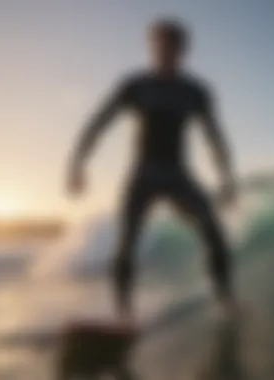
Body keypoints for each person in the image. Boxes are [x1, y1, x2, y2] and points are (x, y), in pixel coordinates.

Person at [67, 18, 238, 322]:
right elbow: (99, 122)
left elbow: (215, 137)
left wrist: (227, 178)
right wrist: (78, 162)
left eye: (171, 47)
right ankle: (123, 314)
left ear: (183, 51)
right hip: (144, 175)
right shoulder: (135, 86)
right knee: (127, 241)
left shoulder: (195, 92)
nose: (164, 53)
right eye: (158, 46)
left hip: (178, 175)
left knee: (213, 229)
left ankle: (225, 301)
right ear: (152, 47)